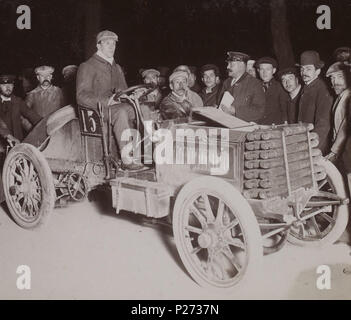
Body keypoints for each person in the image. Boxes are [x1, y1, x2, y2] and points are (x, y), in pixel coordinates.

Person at [76, 30, 145, 171]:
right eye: (107, 43)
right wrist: (107, 101)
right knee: (121, 113)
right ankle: (127, 158)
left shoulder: (117, 67)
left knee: (145, 109)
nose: (111, 47)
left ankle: (149, 152)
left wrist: (133, 95)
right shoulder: (87, 66)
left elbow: (123, 91)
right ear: (98, 46)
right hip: (98, 111)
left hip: (116, 107)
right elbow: (81, 96)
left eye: (113, 44)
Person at [297, 50, 333, 155]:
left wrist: (314, 149)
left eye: (308, 69)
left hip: (316, 146)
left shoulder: (322, 90)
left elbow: (323, 124)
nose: (304, 73)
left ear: (317, 71)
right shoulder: (307, 87)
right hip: (305, 143)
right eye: (302, 69)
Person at [218, 51, 265, 123]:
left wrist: (235, 111)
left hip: (244, 129)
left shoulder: (255, 84)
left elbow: (259, 111)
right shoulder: (226, 83)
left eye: (231, 64)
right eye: (228, 64)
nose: (228, 67)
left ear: (242, 64)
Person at [0, 74, 41, 146]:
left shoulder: (18, 101)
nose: (8, 87)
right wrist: (8, 136)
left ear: (13, 85)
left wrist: (44, 123)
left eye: (10, 84)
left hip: (17, 143)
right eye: (4, 85)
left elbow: (31, 114)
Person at [325, 62, 351, 171]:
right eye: (332, 78)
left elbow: (345, 127)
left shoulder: (348, 98)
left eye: (340, 76)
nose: (335, 82)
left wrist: (335, 151)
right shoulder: (340, 97)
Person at [256, 57, 288, 125]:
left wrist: (285, 122)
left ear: (274, 70)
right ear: (258, 71)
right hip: (258, 125)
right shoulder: (255, 86)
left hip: (275, 126)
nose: (264, 72)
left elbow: (285, 108)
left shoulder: (280, 86)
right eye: (262, 69)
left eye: (268, 69)